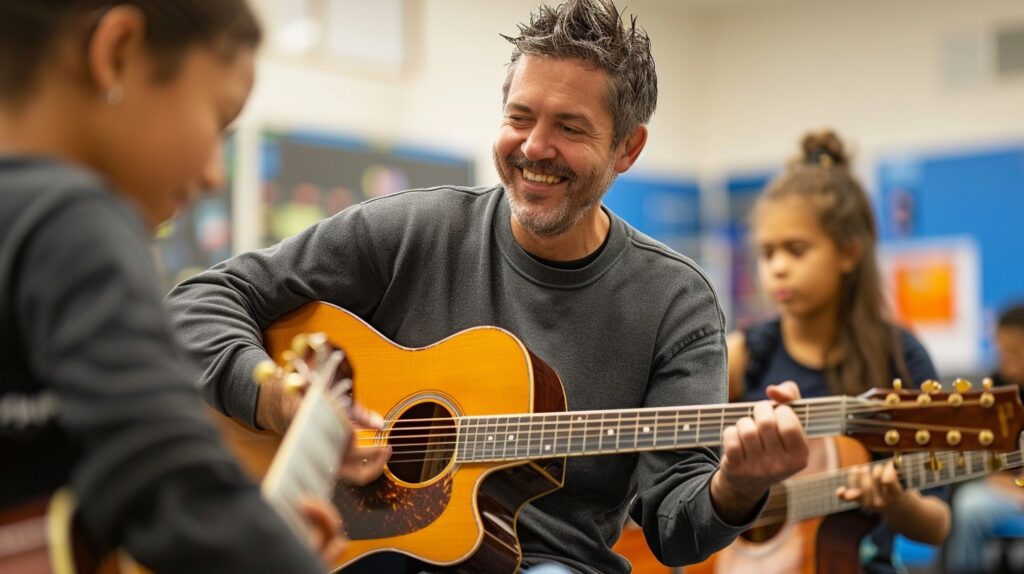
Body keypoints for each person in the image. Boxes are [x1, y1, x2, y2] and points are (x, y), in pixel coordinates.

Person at [166, 1, 810, 573]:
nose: (535, 147)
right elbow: (199, 301)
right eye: (520, 116)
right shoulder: (411, 229)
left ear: (627, 149)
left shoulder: (677, 304)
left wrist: (738, 485)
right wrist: (276, 398)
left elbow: (676, 527)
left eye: (570, 127)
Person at [0, 1, 384, 572]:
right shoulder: (70, 221)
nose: (213, 174)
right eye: (219, 119)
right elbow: (173, 489)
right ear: (118, 54)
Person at [726, 130, 951, 574]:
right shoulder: (742, 356)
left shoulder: (901, 359)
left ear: (848, 253)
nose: (777, 267)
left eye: (796, 249)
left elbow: (937, 525)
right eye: (766, 253)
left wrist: (895, 501)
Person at [945, 303, 1024, 574]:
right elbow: (991, 461)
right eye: (1001, 351)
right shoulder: (997, 388)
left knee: (972, 506)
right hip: (1009, 492)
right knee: (965, 500)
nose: (1006, 360)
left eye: (1015, 352)